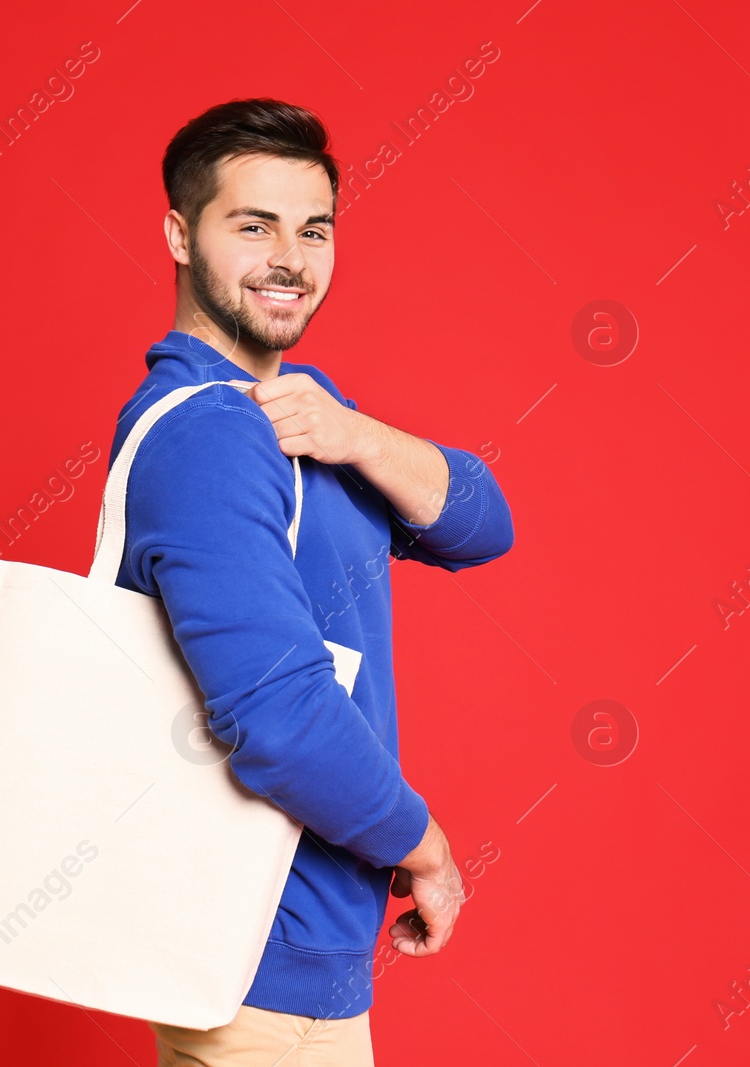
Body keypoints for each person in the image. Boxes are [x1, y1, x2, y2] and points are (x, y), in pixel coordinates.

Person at [108, 98, 514, 1065]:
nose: (289, 256)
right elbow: (277, 715)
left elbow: (482, 524)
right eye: (253, 226)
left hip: (296, 965)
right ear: (178, 232)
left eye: (314, 228)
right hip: (257, 968)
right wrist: (426, 849)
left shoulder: (302, 414)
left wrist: (357, 435)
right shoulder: (212, 436)